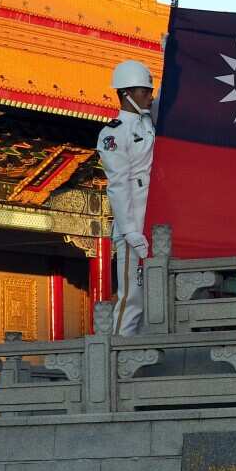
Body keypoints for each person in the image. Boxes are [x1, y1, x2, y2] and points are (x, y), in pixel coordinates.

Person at [99, 59, 156, 336]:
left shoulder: (149, 122)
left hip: (155, 221)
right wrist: (131, 231)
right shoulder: (113, 133)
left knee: (153, 302)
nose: (150, 95)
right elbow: (118, 185)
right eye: (144, 91)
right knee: (131, 298)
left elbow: (175, 99)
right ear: (126, 94)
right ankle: (117, 359)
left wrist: (172, 52)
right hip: (132, 225)